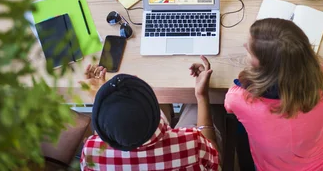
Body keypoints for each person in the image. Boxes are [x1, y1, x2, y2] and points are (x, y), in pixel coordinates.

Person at [224, 18, 323, 170]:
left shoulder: (239, 98)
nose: (245, 46)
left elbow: (229, 107)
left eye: (250, 51)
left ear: (265, 69)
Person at [80, 56, 225, 170]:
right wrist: (202, 96)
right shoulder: (192, 143)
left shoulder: (92, 151)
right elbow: (214, 163)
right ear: (156, 113)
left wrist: (101, 99)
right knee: (204, 107)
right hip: (189, 149)